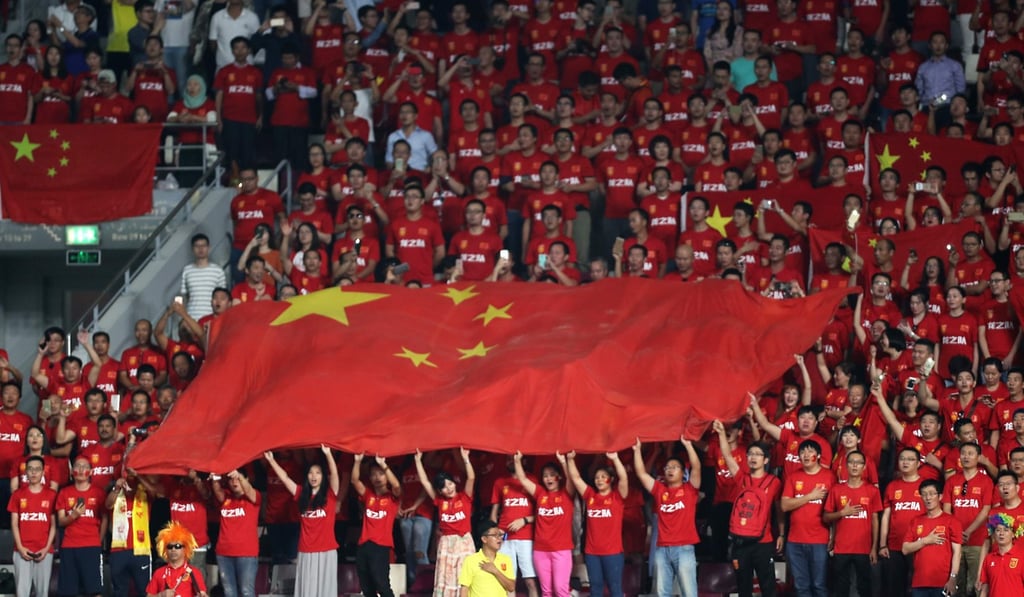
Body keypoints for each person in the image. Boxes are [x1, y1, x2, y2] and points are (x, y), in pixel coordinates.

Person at [711, 421, 780, 597]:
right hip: (740, 543)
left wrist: (781, 533)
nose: (753, 457)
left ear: (766, 460)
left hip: (763, 543)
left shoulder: (774, 482)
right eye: (750, 454)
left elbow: (779, 510)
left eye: (758, 454)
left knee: (768, 588)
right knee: (743, 588)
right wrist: (721, 433)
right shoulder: (741, 478)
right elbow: (727, 456)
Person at [264, 445, 339, 597]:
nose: (314, 476)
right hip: (306, 551)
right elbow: (285, 478)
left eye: (318, 473)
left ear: (323, 476)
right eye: (311, 473)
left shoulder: (330, 495)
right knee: (307, 590)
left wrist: (328, 454)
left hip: (326, 551)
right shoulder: (300, 494)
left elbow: (335, 474)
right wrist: (272, 461)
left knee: (325, 591)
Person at [633, 438, 700, 597]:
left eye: (675, 467)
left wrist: (688, 445)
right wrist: (636, 450)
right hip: (662, 549)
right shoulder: (659, 490)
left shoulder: (690, 490)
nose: (670, 470)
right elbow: (641, 473)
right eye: (667, 467)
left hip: (684, 549)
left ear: (683, 472)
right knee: (662, 593)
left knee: (689, 593)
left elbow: (696, 466)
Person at [566, 450, 629, 597]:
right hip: (592, 553)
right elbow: (576, 478)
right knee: (595, 589)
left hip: (613, 553)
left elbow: (624, 478)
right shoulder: (590, 496)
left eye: (603, 477)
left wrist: (615, 459)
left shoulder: (617, 497)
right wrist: (570, 460)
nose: (599, 480)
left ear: (611, 479)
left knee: (615, 589)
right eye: (596, 477)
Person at [414, 447, 475, 597]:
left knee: (465, 576)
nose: (448, 488)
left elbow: (471, 478)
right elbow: (425, 482)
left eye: (450, 484)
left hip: (464, 541)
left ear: (454, 483)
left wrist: (466, 459)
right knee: (446, 576)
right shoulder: (439, 501)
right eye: (443, 487)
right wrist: (418, 461)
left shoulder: (465, 497)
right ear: (439, 491)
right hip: (446, 542)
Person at [512, 451, 574, 597]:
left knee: (561, 590)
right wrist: (517, 461)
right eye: (545, 476)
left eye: (552, 475)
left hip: (561, 550)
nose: (548, 478)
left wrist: (564, 462)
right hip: (540, 551)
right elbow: (523, 479)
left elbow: (571, 479)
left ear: (559, 477)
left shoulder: (566, 494)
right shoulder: (540, 493)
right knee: (546, 592)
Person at [823, 450, 882, 597]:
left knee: (865, 587)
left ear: (864, 467)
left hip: (864, 548)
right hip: (841, 548)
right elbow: (826, 517)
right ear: (845, 465)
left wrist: (874, 547)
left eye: (858, 463)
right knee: (840, 588)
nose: (855, 465)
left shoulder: (872, 490)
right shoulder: (836, 489)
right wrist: (842, 513)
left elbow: (875, 520)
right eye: (851, 462)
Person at [781, 439, 833, 597]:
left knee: (819, 585)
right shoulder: (793, 477)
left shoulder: (829, 477)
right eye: (802, 452)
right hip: (795, 540)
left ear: (818, 456)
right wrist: (810, 496)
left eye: (810, 451)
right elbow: (784, 505)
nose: (805, 455)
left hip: (820, 540)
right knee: (801, 587)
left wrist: (833, 536)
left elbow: (834, 509)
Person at [352, 453, 401, 597]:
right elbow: (354, 481)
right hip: (363, 545)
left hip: (381, 546)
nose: (377, 477)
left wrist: (384, 465)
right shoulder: (368, 495)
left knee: (382, 585)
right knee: (367, 589)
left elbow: (396, 485)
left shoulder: (392, 497)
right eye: (373, 474)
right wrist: (357, 461)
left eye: (381, 474)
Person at [56, 456, 106, 597]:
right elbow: (61, 521)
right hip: (69, 546)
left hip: (91, 545)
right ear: (72, 471)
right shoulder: (64, 492)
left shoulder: (98, 493)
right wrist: (74, 515)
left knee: (94, 590)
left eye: (85, 466)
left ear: (91, 472)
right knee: (68, 591)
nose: (81, 469)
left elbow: (105, 518)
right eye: (77, 466)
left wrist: (99, 540)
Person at [903, 478, 962, 596]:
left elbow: (957, 552)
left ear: (940, 496)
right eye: (924, 494)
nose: (928, 498)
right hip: (919, 583)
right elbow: (905, 549)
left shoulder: (952, 521)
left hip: (942, 582)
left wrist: (953, 577)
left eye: (931, 494)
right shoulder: (916, 521)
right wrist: (925, 541)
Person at [9, 455, 56, 597]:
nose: (34, 472)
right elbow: (14, 524)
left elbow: (53, 525)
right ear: (26, 472)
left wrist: (46, 548)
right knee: (22, 592)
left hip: (44, 550)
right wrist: (20, 548)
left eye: (37, 469)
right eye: (30, 469)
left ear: (43, 472)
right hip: (21, 550)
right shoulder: (17, 495)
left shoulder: (52, 495)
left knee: (42, 593)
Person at [211, 470, 261, 597]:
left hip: (246, 554)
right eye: (231, 479)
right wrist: (215, 476)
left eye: (237, 479)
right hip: (224, 553)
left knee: (246, 592)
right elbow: (217, 490)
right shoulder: (226, 497)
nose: (234, 482)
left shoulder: (253, 496)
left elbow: (249, 490)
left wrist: (239, 475)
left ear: (246, 479)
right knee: (229, 592)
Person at [147, 520, 208, 597]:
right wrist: (161, 595)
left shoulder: (194, 572)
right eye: (170, 546)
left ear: (185, 549)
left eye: (178, 546)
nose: (173, 549)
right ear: (165, 550)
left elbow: (202, 594)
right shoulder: (159, 573)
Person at [458, 520, 516, 597]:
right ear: (484, 539)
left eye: (500, 535)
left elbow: (511, 587)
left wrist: (495, 571)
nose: (499, 539)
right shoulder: (471, 560)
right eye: (495, 535)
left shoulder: (506, 559)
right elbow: (464, 589)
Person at [179, 233, 225, 320]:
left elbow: (222, 297)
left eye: (203, 246)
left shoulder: (218, 271)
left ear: (208, 248)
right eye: (197, 246)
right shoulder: (187, 270)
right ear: (192, 249)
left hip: (212, 318)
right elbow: (185, 296)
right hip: (192, 318)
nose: (200, 249)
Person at [978, 513, 1024, 597]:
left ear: (1013, 534)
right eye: (998, 530)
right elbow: (985, 587)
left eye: (1006, 530)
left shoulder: (1022, 557)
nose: (1001, 533)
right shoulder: (989, 558)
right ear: (994, 534)